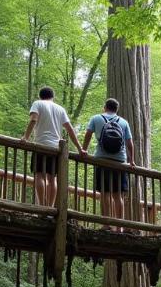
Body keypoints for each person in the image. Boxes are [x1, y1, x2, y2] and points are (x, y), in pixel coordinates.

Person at [81, 98, 135, 230]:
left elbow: (88, 134)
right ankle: (119, 227)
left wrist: (84, 150)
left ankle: (106, 224)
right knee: (118, 195)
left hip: (101, 159)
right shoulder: (123, 122)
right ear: (117, 109)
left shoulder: (96, 118)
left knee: (104, 193)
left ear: (105, 107)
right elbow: (129, 143)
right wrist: (131, 160)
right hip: (119, 161)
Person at [22, 87, 83, 206]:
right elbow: (70, 129)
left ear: (40, 96)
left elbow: (33, 120)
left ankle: (41, 205)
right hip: (55, 148)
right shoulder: (60, 109)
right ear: (52, 97)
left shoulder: (37, 103)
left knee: (39, 175)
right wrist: (79, 148)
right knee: (52, 178)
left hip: (40, 144)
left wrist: (25, 137)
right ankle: (50, 207)